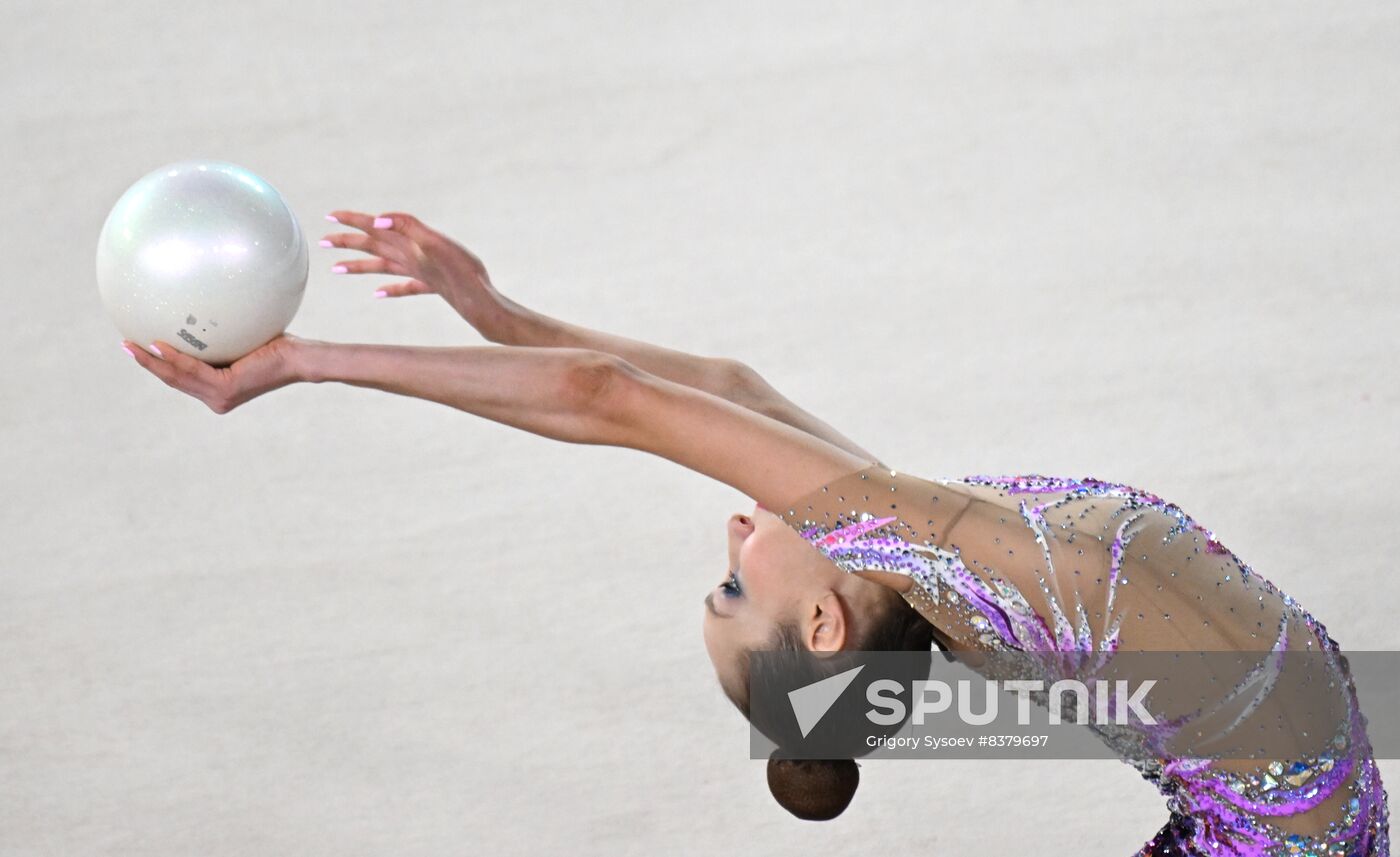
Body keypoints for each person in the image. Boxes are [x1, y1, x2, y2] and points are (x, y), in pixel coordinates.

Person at [120, 209, 1390, 856]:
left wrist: (493, 310)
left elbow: (720, 385)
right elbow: (611, 403)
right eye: (733, 583)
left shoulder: (924, 549)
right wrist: (305, 361)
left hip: (1287, 809)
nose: (736, 526)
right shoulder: (938, 544)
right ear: (825, 620)